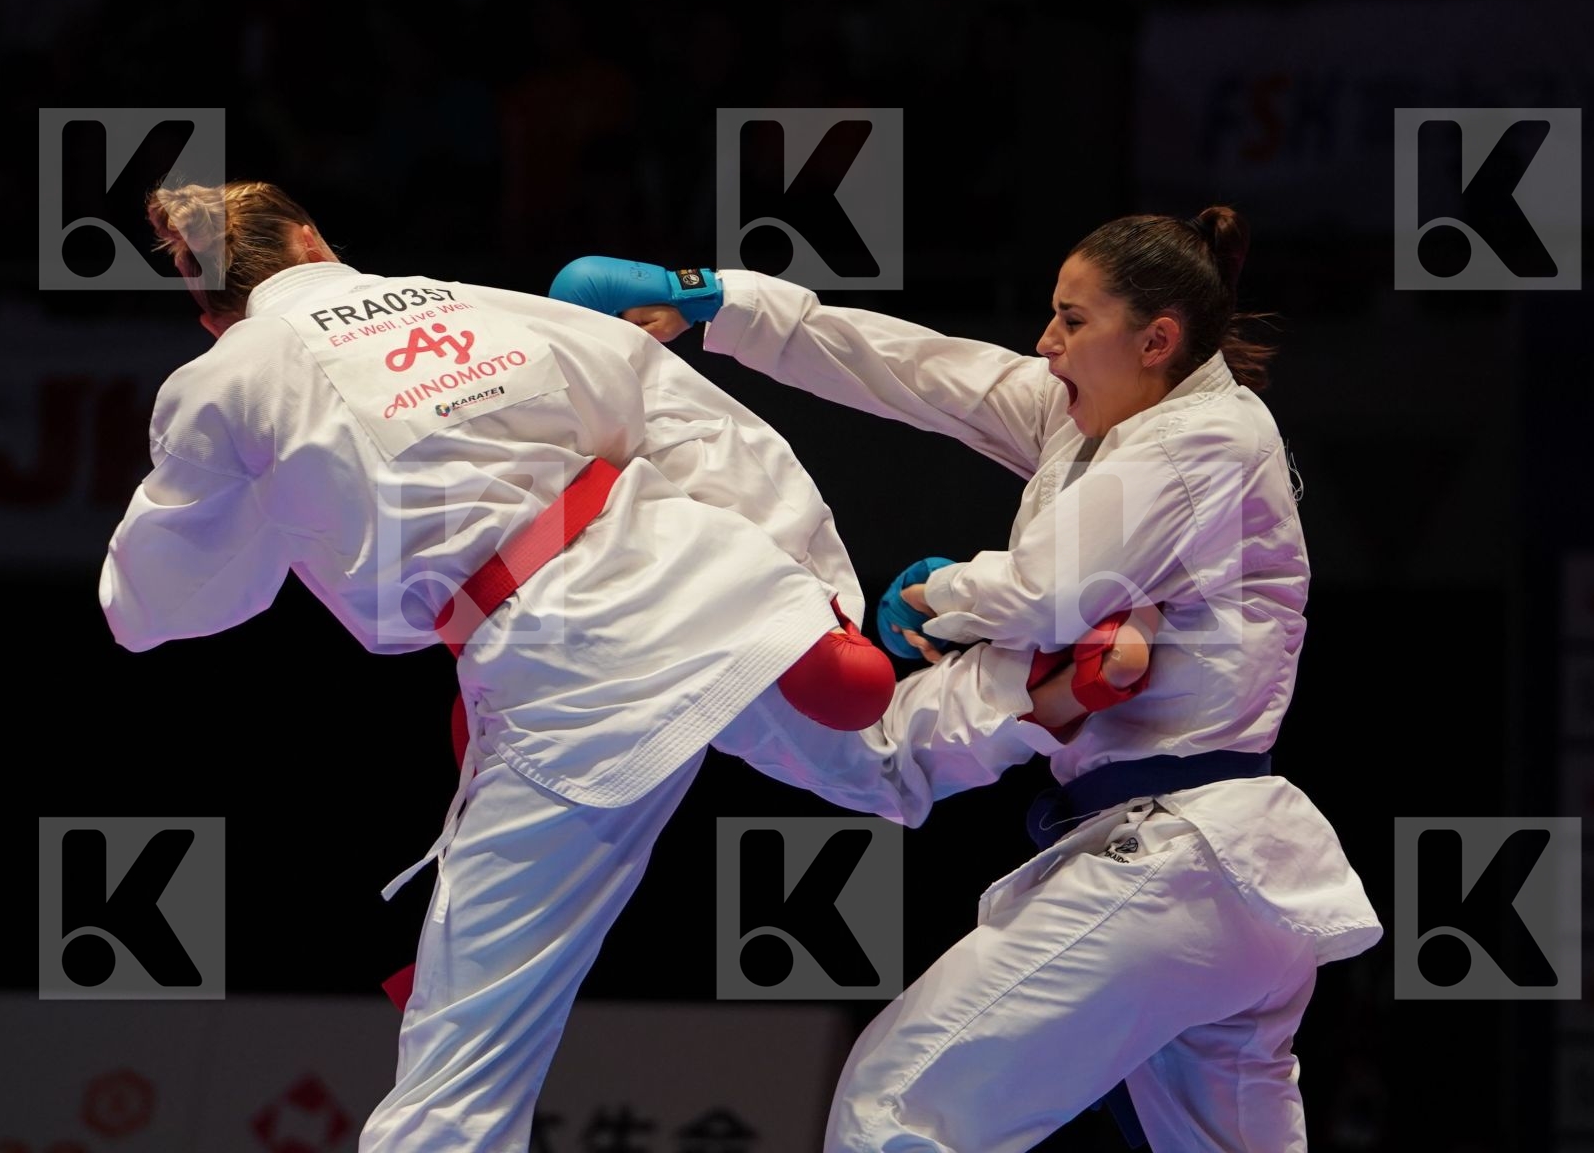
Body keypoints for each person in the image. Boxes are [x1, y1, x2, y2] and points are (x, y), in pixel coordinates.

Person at [97, 180, 906, 1152]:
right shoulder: (472, 299)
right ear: (311, 240)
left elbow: (161, 599)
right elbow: (688, 415)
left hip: (560, 662)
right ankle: (1032, 692)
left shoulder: (230, 378)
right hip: (693, 569)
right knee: (893, 757)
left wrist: (252, 524)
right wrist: (816, 583)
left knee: (461, 1065)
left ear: (205, 307)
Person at [552, 208, 1383, 1151]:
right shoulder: (1100, 414)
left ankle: (663, 645)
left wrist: (940, 591)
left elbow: (1048, 594)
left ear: (1158, 340)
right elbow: (916, 367)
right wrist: (717, 301)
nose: (1046, 341)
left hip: (1182, 860)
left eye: (1073, 321)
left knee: (895, 1105)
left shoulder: (1204, 442)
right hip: (1224, 884)